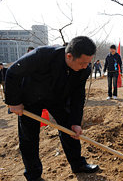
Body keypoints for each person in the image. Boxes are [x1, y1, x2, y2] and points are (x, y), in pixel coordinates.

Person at [5, 36, 99, 181]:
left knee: (70, 129)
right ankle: (33, 175)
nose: (86, 66)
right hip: (31, 98)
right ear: (69, 56)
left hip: (57, 98)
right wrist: (14, 102)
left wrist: (76, 121)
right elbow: (12, 72)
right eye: (82, 63)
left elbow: (78, 96)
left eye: (88, 62)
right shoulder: (42, 55)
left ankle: (77, 164)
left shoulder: (83, 69)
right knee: (29, 137)